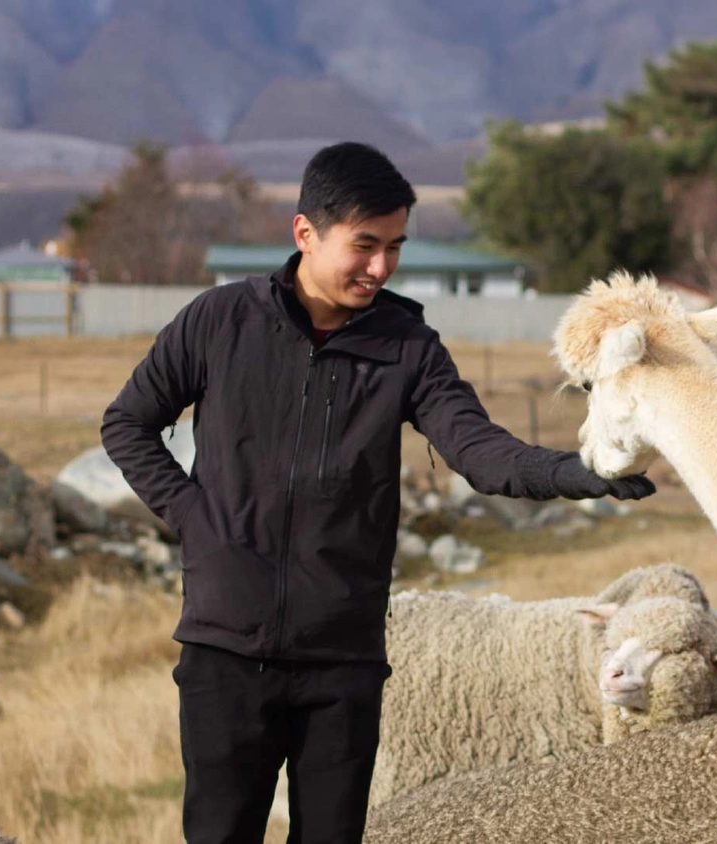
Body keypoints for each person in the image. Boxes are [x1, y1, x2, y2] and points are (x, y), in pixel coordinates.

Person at [100, 141, 656, 844]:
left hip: (343, 663)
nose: (381, 267)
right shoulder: (219, 321)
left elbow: (480, 453)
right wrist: (194, 517)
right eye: (364, 246)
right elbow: (127, 422)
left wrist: (582, 472)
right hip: (224, 654)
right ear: (305, 233)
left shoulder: (408, 346)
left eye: (394, 247)